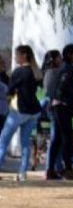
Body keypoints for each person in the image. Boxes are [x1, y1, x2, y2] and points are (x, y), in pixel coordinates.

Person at [0, 45, 43, 181]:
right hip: (33, 111)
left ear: (24, 55)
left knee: (3, 142)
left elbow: (10, 91)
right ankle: (22, 173)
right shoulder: (36, 71)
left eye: (17, 55)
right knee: (25, 143)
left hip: (19, 110)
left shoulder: (18, 72)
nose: (15, 57)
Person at [48, 44, 73, 181]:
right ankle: (68, 169)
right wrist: (72, 100)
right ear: (69, 54)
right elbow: (61, 89)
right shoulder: (67, 70)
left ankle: (51, 170)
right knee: (67, 137)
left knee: (57, 139)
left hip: (58, 107)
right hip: (62, 107)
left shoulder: (63, 68)